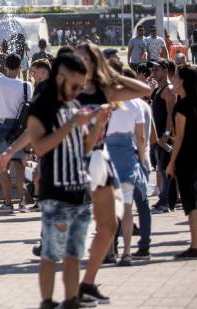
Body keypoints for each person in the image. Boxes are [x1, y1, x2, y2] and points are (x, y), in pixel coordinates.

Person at [26, 54, 107, 309]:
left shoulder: (73, 105)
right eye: (74, 86)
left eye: (81, 87)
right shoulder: (41, 107)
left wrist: (96, 126)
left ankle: (71, 301)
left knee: (74, 254)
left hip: (80, 192)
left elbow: (84, 148)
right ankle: (48, 303)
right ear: (59, 79)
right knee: (51, 254)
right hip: (57, 195)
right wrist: (71, 124)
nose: (77, 91)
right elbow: (39, 147)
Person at [73, 42, 151, 305]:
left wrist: (112, 73)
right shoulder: (68, 90)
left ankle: (87, 283)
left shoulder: (105, 89)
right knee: (74, 229)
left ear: (95, 62)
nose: (80, 61)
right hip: (73, 161)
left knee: (108, 226)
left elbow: (145, 89)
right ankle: (73, 290)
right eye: (78, 57)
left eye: (86, 57)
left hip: (98, 159)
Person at [104, 69, 150, 266]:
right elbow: (140, 137)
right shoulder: (136, 104)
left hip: (108, 156)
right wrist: (143, 160)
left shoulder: (107, 101)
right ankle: (127, 252)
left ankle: (110, 251)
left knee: (109, 209)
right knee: (128, 208)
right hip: (127, 157)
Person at [0, 53, 34, 212]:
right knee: (20, 166)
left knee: (3, 166)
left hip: (1, 126)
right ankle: (22, 203)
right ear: (20, 67)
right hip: (20, 129)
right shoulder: (26, 86)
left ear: (5, 67)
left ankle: (7, 203)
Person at [165, 63, 197, 259]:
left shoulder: (182, 106)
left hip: (187, 158)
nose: (173, 80)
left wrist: (171, 162)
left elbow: (179, 139)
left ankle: (195, 245)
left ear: (183, 81)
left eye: (175, 76)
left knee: (191, 203)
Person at [151, 60, 178, 212]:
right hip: (157, 136)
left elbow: (170, 115)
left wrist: (166, 135)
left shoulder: (168, 90)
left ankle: (165, 202)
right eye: (153, 70)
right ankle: (165, 199)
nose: (153, 72)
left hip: (164, 137)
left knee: (165, 169)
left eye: (157, 69)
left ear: (165, 70)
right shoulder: (157, 89)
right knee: (160, 169)